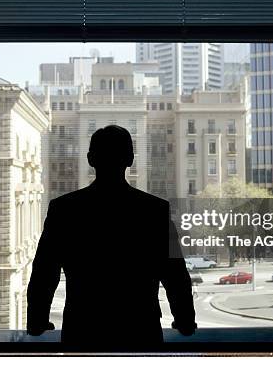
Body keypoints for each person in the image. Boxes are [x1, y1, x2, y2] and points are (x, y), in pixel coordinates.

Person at [27, 125, 196, 350]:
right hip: (139, 329)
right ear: (130, 160)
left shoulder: (65, 209)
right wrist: (184, 321)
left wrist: (37, 321)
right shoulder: (154, 210)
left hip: (84, 329)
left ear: (90, 159)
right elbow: (175, 275)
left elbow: (44, 272)